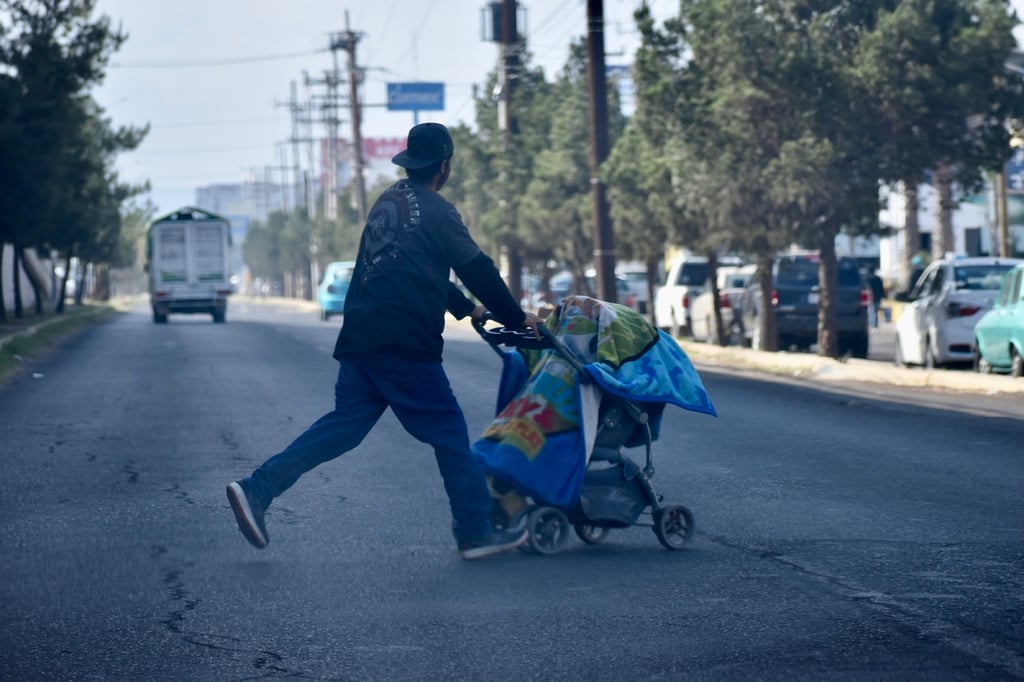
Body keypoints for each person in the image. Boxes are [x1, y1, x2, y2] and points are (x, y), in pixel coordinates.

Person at [227, 122, 542, 560]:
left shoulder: (388, 201)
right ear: (445, 166)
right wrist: (516, 317)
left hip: (361, 334)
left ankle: (257, 489)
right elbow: (478, 268)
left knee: (344, 426)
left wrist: (467, 308)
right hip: (404, 343)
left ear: (411, 162)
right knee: (449, 431)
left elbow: (410, 265)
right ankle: (475, 532)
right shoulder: (438, 210)